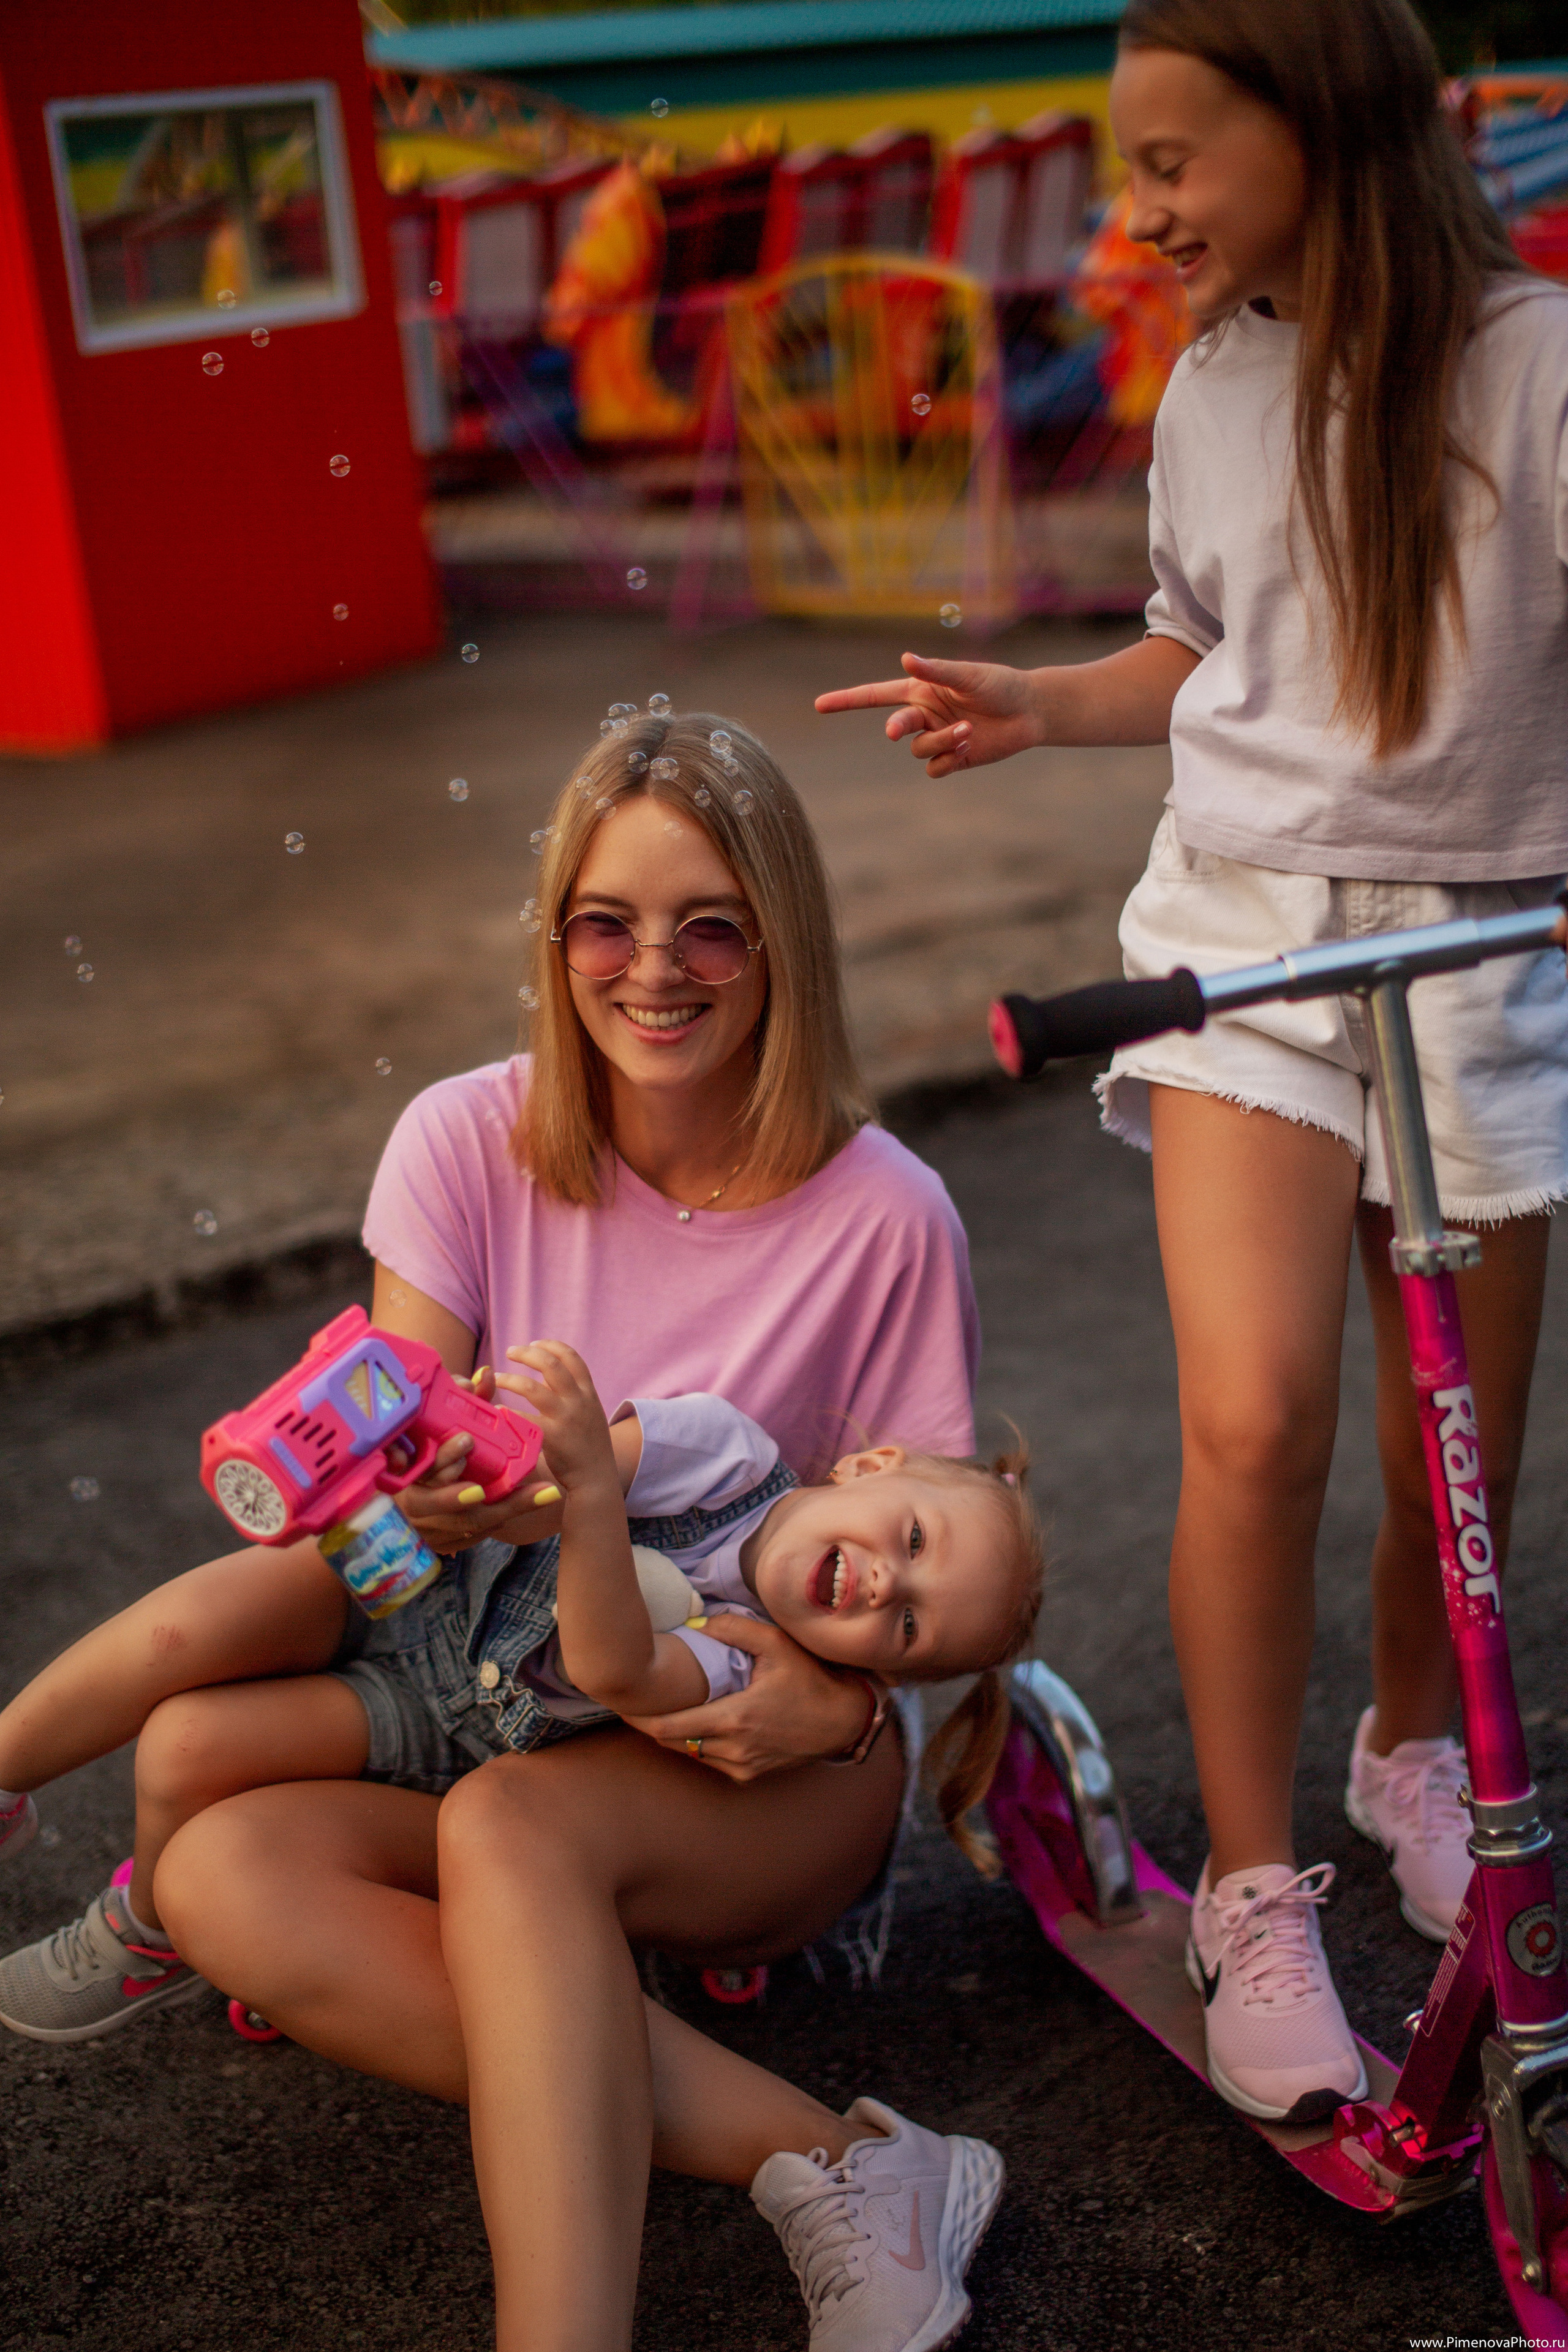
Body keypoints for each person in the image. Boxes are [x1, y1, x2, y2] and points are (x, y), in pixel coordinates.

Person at [2, 708, 1006, 2351]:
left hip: (775, 1749)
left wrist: (828, 1702)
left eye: (710, 928)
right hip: (516, 1693)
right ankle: (840, 2161)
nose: (654, 970)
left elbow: (937, 1573)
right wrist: (402, 1509)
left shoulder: (886, 1210)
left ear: (782, 943)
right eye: (607, 923)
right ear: (558, 941)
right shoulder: (466, 1139)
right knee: (225, 1868)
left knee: (507, 1833)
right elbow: (382, 1536)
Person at [816, 0, 1568, 2128]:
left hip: (1489, 953)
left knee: (1462, 1451)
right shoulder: (1217, 382)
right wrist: (1042, 704)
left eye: (1167, 161)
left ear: (1323, 133)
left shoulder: (1539, 366)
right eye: (1129, 165)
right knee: (1253, 1424)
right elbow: (1208, 645)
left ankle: (1411, 1751)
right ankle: (1252, 1886)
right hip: (1241, 949)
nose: (1134, 209)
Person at [0, 1363, 1041, 1964]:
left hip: (459, 1738)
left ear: (883, 1677)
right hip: (430, 1601)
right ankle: (124, 1895)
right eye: (910, 1543)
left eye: (908, 1629)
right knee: (183, 1713)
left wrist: (589, 1500)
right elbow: (542, 1482)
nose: (881, 1588)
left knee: (197, 1742)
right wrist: (490, 1461)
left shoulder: (747, 1662)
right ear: (867, 1469)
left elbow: (616, 1670)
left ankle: (154, 1929)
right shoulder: (727, 1451)